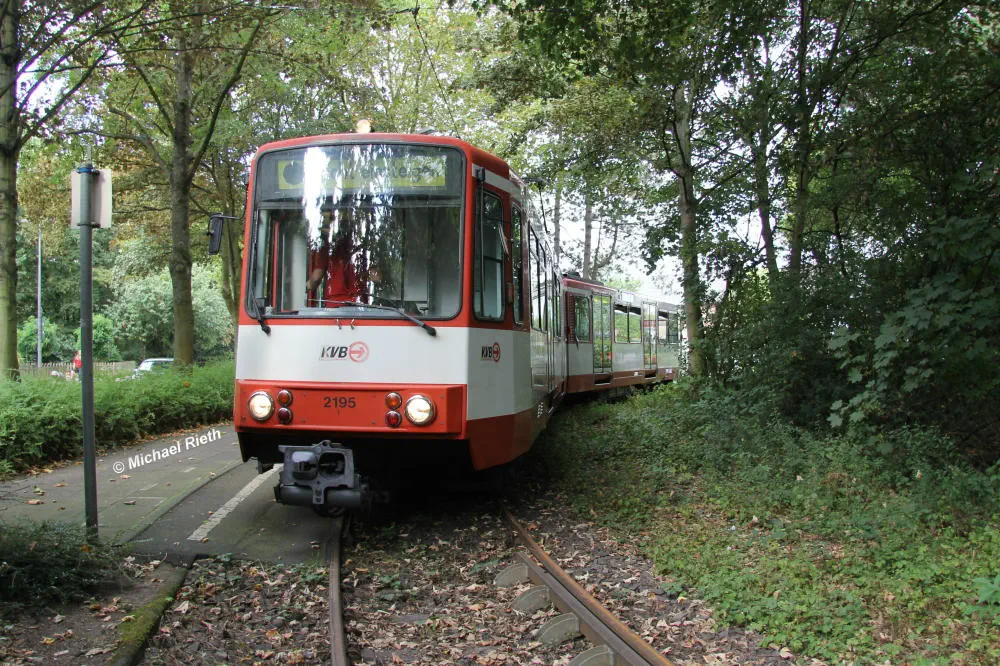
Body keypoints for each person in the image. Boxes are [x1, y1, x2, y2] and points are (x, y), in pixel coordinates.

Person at [306, 211, 361, 305]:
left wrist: (306, 286)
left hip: (335, 305)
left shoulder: (326, 249)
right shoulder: (356, 248)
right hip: (357, 304)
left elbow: (316, 278)